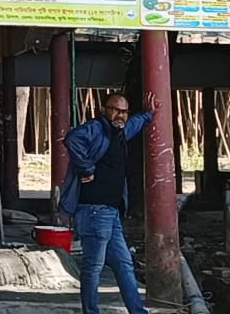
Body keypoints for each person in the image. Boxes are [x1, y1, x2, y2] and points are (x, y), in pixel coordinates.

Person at [59, 92, 157, 314]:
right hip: (94, 210)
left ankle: (138, 311)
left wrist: (149, 114)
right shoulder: (96, 128)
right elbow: (72, 139)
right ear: (104, 110)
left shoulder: (121, 132)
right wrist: (86, 168)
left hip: (111, 213)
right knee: (93, 267)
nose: (120, 115)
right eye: (115, 110)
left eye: (124, 112)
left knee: (124, 264)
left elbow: (133, 125)